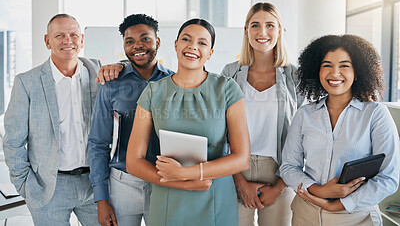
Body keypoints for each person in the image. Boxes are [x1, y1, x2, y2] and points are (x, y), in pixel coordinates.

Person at [126, 18, 250, 225]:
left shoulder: (227, 90)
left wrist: (188, 173)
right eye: (186, 39)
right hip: (167, 200)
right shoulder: (152, 92)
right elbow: (134, 162)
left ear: (210, 53)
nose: (193, 46)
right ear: (176, 44)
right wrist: (182, 182)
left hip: (215, 198)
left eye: (202, 43)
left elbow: (241, 158)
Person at [280, 34, 400, 226]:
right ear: (317, 70)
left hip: (357, 217)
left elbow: (389, 178)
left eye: (344, 66)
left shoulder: (376, 114)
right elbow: (288, 166)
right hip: (306, 213)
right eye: (327, 65)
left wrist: (340, 204)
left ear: (357, 71)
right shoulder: (305, 114)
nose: (334, 73)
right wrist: (320, 191)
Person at [3, 14, 104, 225]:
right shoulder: (26, 82)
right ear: (47, 41)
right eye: (60, 35)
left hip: (95, 185)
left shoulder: (98, 72)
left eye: (73, 35)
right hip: (49, 188)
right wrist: (28, 187)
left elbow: (131, 66)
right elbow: (13, 142)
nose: (68, 40)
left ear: (82, 40)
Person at [88, 13, 173, 226]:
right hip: (122, 184)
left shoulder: (174, 82)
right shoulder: (111, 84)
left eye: (145, 38)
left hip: (163, 181)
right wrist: (101, 199)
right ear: (124, 46)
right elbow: (98, 143)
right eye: (130, 41)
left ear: (158, 42)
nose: (138, 46)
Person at [221, 2, 301, 226]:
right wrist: (239, 181)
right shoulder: (230, 73)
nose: (262, 32)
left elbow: (304, 135)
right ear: (246, 31)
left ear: (279, 30)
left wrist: (279, 187)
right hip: (236, 168)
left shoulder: (295, 77)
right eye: (255, 25)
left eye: (270, 25)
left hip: (280, 171)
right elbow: (219, 131)